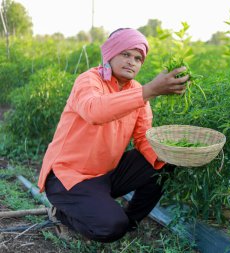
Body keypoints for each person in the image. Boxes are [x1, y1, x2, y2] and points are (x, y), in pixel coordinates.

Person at [37, 28, 188, 243]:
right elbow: (94, 110)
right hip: (68, 177)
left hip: (105, 174)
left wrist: (171, 154)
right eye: (125, 54)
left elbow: (143, 138)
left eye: (138, 58)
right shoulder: (90, 80)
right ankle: (62, 213)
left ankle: (128, 222)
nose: (132, 62)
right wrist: (150, 90)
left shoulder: (136, 90)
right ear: (110, 54)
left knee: (162, 163)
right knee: (110, 227)